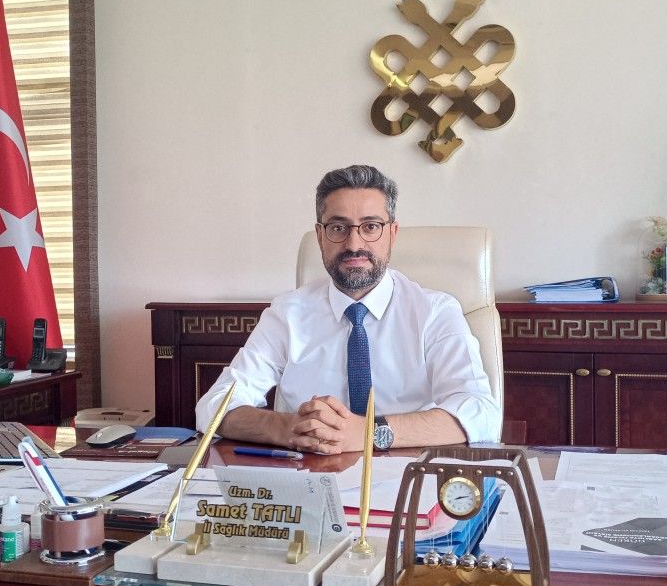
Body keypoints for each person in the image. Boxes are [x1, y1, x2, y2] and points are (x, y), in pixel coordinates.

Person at [194, 164, 500, 454]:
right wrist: (289, 428)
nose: (354, 244)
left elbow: (481, 413)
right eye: (338, 227)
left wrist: (369, 432)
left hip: (408, 477)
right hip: (312, 476)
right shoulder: (287, 313)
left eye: (371, 226)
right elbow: (213, 407)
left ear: (392, 233)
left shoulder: (435, 312)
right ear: (320, 236)